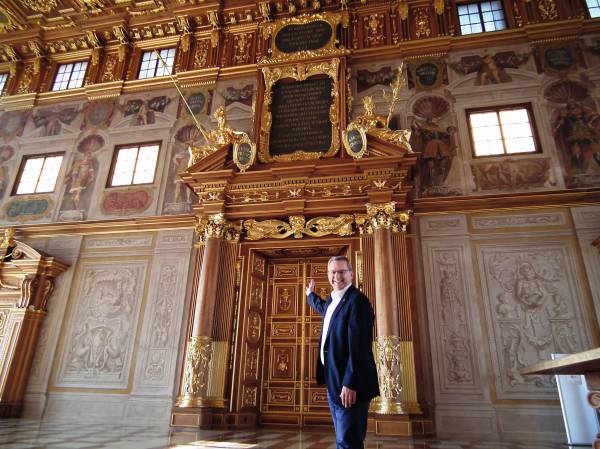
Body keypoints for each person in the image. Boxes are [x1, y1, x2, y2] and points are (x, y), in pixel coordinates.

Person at [306, 255, 379, 449]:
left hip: (349, 385)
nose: (336, 276)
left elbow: (360, 347)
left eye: (341, 272)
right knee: (342, 439)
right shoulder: (332, 301)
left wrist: (350, 383)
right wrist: (309, 295)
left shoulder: (358, 302)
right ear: (328, 275)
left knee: (349, 441)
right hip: (334, 382)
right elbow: (322, 307)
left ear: (351, 275)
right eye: (332, 272)